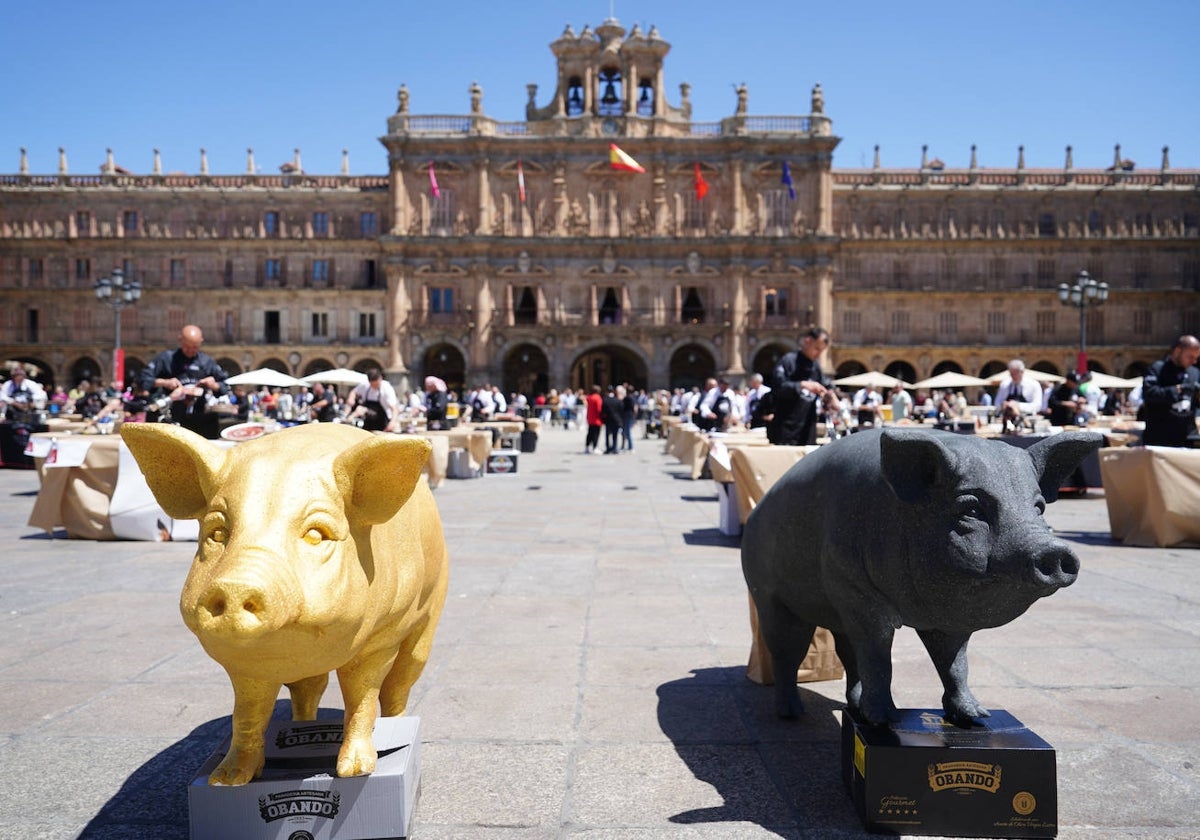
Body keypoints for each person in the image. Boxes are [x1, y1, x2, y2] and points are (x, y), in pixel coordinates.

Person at [140, 325, 228, 438]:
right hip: (172, 419)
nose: (191, 350)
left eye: (195, 347)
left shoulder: (207, 362)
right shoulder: (166, 358)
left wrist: (213, 385)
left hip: (200, 420)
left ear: (201, 342)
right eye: (187, 346)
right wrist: (165, 382)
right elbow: (143, 379)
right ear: (180, 340)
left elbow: (225, 385)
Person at [768, 326, 836, 445]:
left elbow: (825, 384)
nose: (819, 353)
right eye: (816, 348)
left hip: (808, 430)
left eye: (822, 351)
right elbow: (777, 387)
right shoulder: (788, 361)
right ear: (807, 341)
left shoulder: (815, 366)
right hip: (785, 429)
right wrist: (803, 385)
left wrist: (831, 396)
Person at [1141, 334, 1200, 447]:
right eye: (1190, 357)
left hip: (1188, 436)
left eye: (1196, 358)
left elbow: (1195, 402)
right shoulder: (1157, 369)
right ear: (1177, 351)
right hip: (1161, 437)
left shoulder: (1194, 372)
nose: (1194, 361)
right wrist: (1177, 390)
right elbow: (1149, 394)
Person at [993, 359, 1041, 434]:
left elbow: (1037, 406)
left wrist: (1017, 405)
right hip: (1008, 423)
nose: (1014, 376)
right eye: (1012, 374)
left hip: (1027, 422)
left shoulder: (1033, 385)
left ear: (1022, 372)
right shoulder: (1005, 384)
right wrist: (1003, 405)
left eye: (1016, 373)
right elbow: (997, 402)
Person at [346, 368, 400, 433]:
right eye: (372, 385)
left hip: (382, 421)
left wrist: (392, 422)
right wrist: (351, 398)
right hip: (368, 421)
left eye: (376, 385)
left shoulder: (386, 388)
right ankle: (348, 419)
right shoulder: (365, 385)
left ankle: (350, 417)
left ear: (380, 379)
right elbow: (354, 392)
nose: (374, 387)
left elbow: (394, 409)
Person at [583, 384, 603, 453]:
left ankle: (587, 447)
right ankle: (595, 447)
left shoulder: (589, 397)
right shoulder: (597, 398)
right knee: (596, 434)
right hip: (596, 419)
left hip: (590, 418)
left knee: (589, 433)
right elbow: (599, 409)